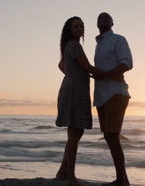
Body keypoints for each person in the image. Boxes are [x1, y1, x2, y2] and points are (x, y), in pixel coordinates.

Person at [55, 16, 103, 185]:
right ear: (69, 29)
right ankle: (70, 176)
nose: (80, 29)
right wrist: (110, 75)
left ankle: (62, 171)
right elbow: (88, 67)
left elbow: (62, 65)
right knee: (75, 133)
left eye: (82, 26)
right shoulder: (74, 46)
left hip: (74, 89)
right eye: (76, 26)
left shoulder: (69, 46)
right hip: (74, 92)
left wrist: (72, 74)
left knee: (76, 132)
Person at [93, 13, 133, 186]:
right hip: (101, 95)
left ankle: (122, 180)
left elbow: (127, 63)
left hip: (116, 93)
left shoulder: (118, 39)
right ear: (96, 24)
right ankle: (121, 178)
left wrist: (106, 75)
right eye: (99, 18)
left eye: (106, 17)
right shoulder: (99, 44)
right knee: (108, 136)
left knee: (113, 135)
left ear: (112, 23)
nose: (102, 19)